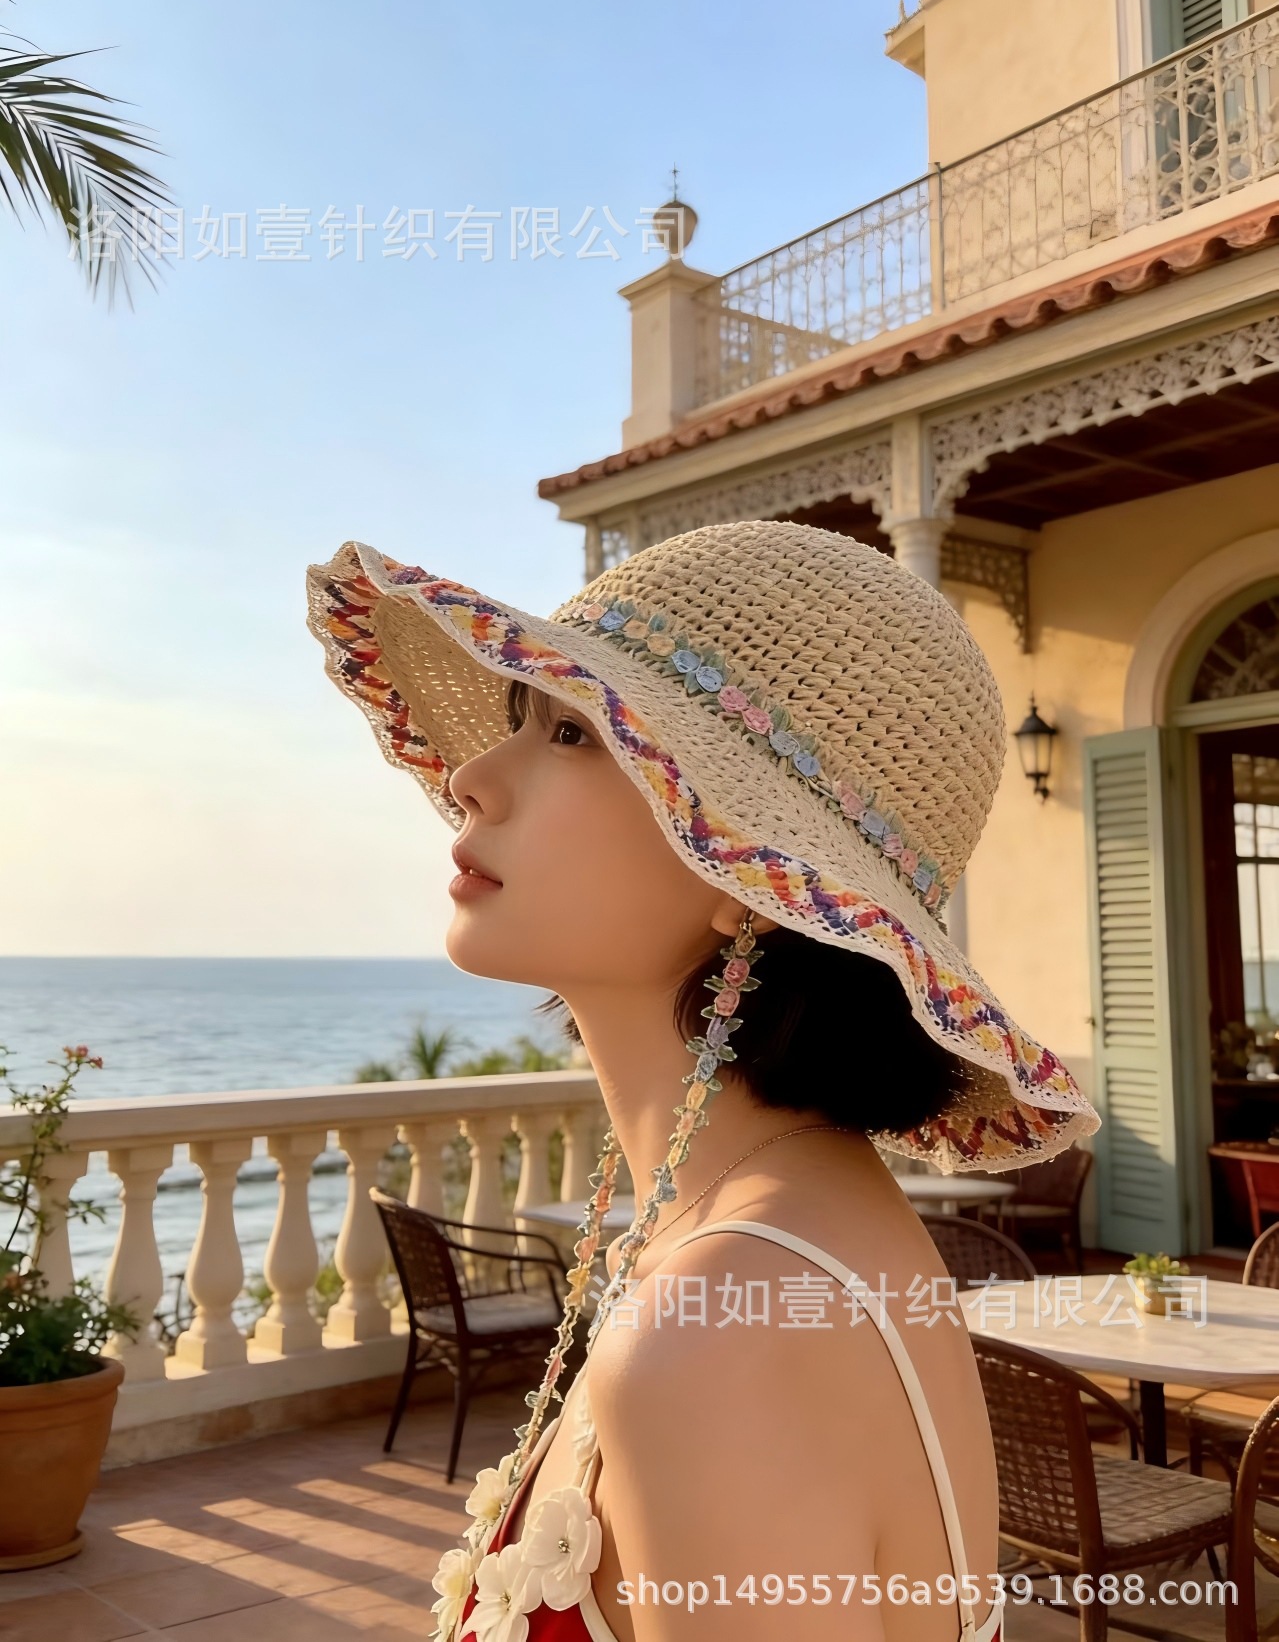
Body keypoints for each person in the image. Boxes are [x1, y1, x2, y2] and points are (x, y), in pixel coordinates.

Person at [307, 519, 1100, 1642]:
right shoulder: (773, 1229)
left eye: (572, 732)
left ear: (748, 869)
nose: (474, 780)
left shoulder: (723, 1330)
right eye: (521, 718)